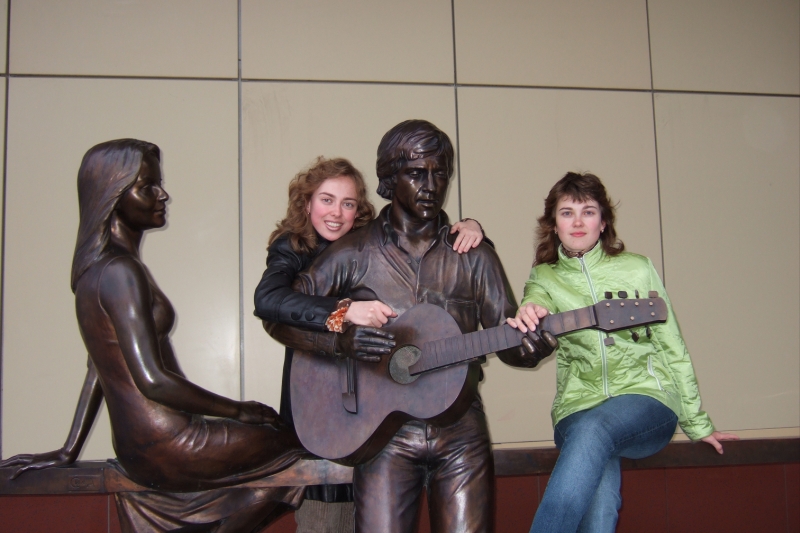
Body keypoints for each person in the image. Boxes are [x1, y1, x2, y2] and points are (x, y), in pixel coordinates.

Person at [0, 139, 307, 533]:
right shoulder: (120, 272)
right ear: (112, 196)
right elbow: (153, 381)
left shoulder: (99, 271)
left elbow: (99, 368)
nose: (163, 194)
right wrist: (239, 410)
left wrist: (69, 448)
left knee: (281, 455)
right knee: (296, 444)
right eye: (147, 186)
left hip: (137, 446)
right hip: (171, 442)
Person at [263, 120, 555, 533]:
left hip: (460, 429)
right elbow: (279, 316)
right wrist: (339, 342)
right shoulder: (353, 252)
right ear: (389, 178)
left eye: (440, 174)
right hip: (384, 432)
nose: (431, 186)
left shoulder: (474, 255)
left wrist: (532, 344)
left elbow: (509, 339)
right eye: (417, 173)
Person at [252, 156, 487, 532]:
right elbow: (268, 303)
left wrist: (468, 226)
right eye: (326, 200)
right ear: (306, 203)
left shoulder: (367, 244)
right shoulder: (293, 247)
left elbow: (415, 226)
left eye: (347, 203)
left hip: (375, 399)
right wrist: (343, 313)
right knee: (326, 510)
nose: (336, 212)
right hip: (325, 394)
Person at [506, 171, 738, 533]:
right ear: (553, 225)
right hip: (577, 407)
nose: (578, 222)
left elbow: (671, 344)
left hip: (646, 400)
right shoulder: (544, 277)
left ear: (603, 222)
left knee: (594, 431)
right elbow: (536, 299)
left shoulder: (637, 269)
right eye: (567, 213)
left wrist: (696, 423)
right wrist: (530, 308)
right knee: (599, 497)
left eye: (588, 212)